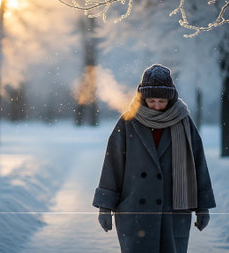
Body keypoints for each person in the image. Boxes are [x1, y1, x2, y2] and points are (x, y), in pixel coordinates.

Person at [92, 64, 216, 253]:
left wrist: (203, 207)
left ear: (171, 98)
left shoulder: (183, 122)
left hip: (173, 210)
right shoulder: (128, 123)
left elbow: (198, 162)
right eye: (151, 101)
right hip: (135, 211)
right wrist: (104, 207)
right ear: (142, 99)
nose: (157, 106)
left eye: (162, 101)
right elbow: (113, 165)